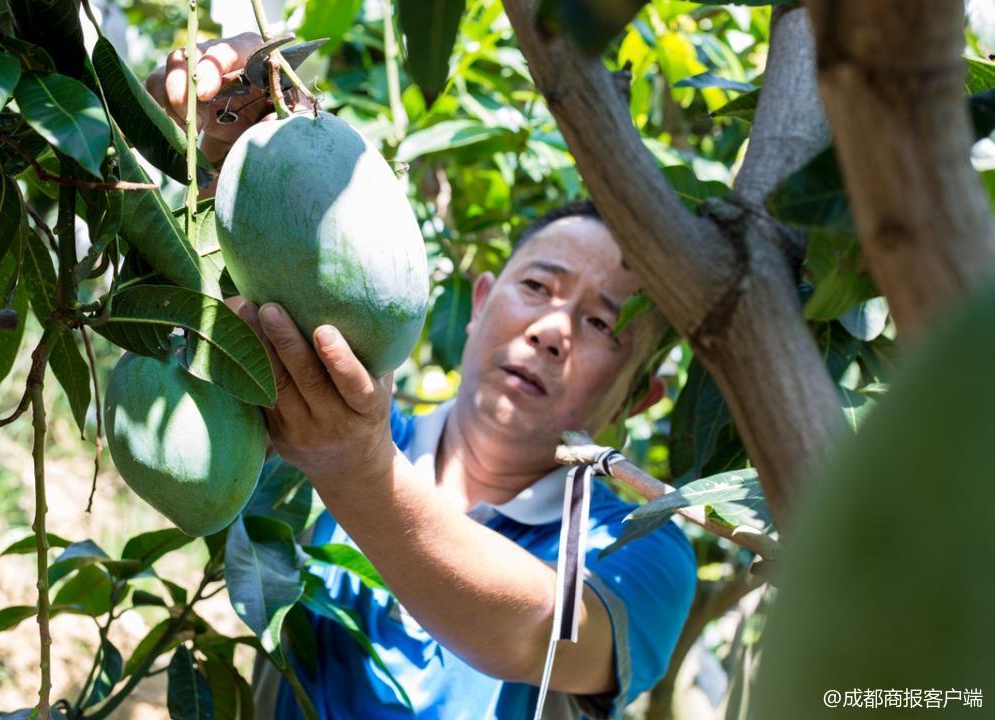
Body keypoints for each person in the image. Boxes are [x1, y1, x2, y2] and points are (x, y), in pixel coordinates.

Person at [148, 34, 697, 719]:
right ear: (478, 303)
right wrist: (220, 139)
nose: (552, 331)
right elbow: (216, 331)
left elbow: (541, 634)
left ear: (639, 397)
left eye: (600, 325)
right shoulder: (317, 414)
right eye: (537, 287)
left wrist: (358, 472)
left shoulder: (646, 546)